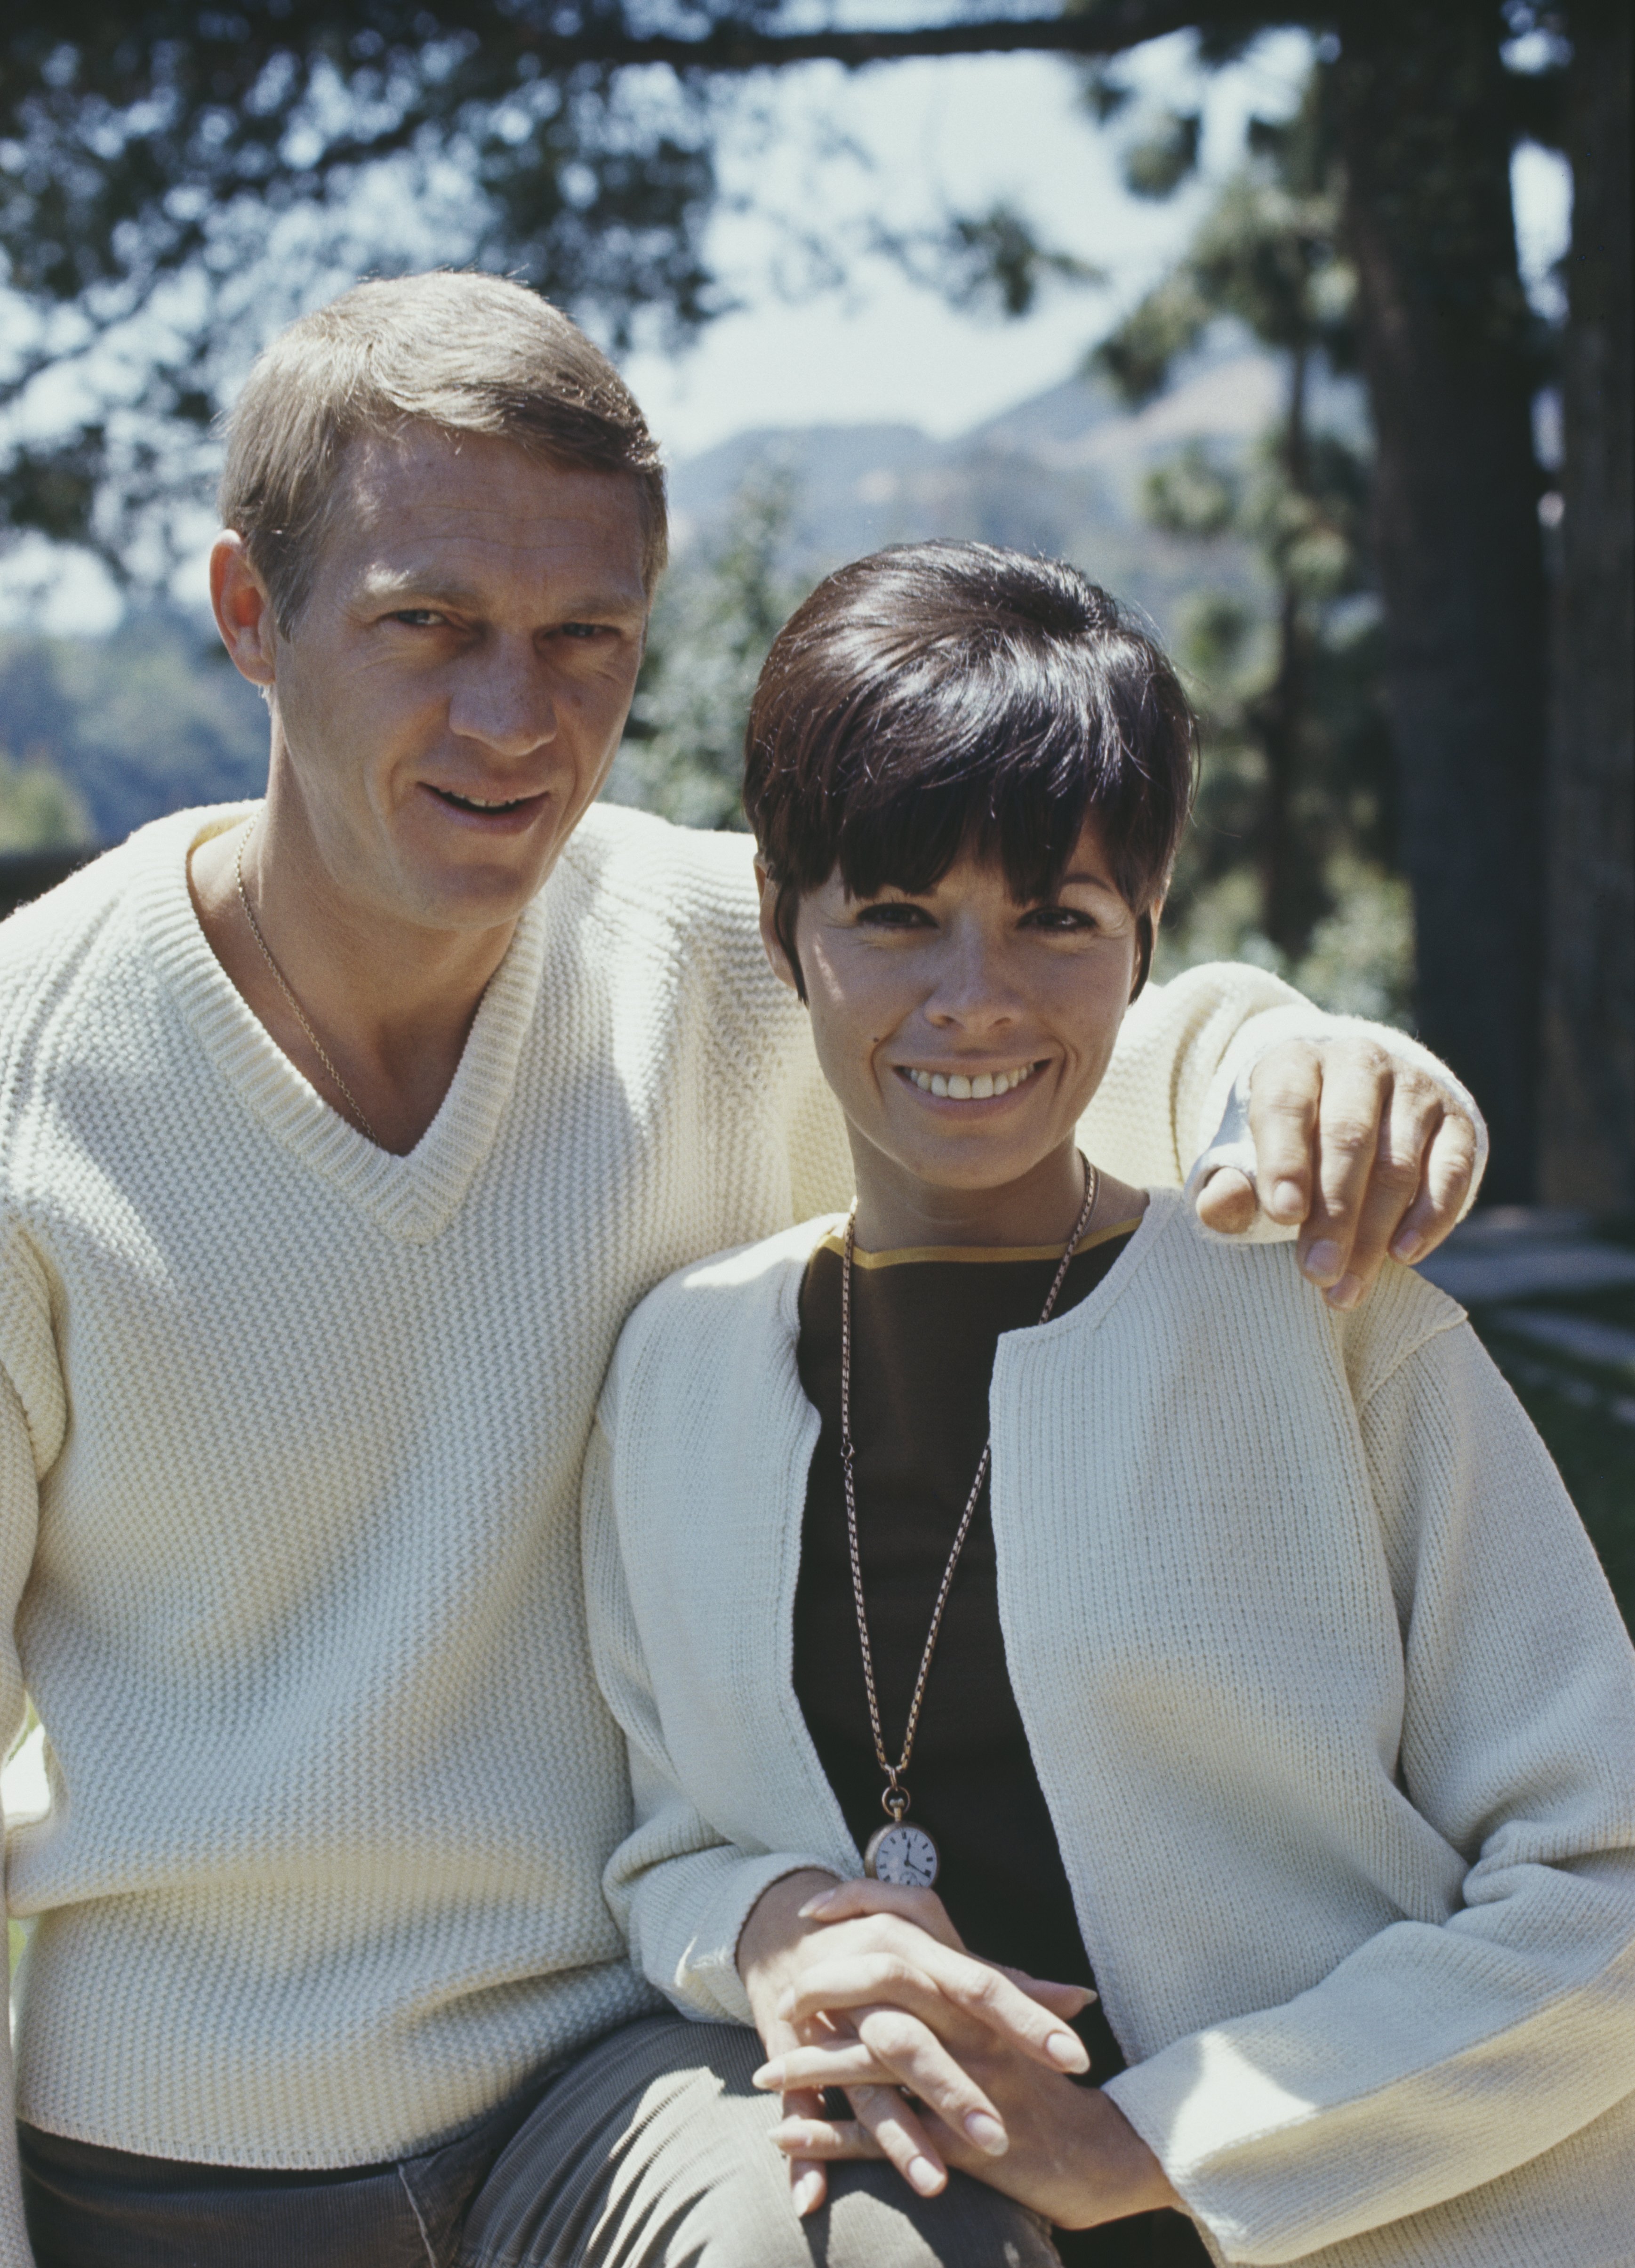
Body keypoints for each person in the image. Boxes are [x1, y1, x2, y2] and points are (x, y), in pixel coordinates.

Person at [0, 275, 1485, 2268]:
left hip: (632, 2065)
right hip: (186, 2145)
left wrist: (1283, 1054)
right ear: (250, 616)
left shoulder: (718, 942)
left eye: (583, 637)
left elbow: (1034, 1039)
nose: (516, 716)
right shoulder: (33, 1076)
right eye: (427, 623)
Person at [583, 543, 1635, 2268]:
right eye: (898, 913)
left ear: (1145, 935)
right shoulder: (682, 1370)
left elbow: (1601, 1883)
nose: (973, 997)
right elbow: (663, 1849)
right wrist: (771, 1922)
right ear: (786, 925)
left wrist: (1148, 2140)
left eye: (1056, 916)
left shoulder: (1322, 1314)